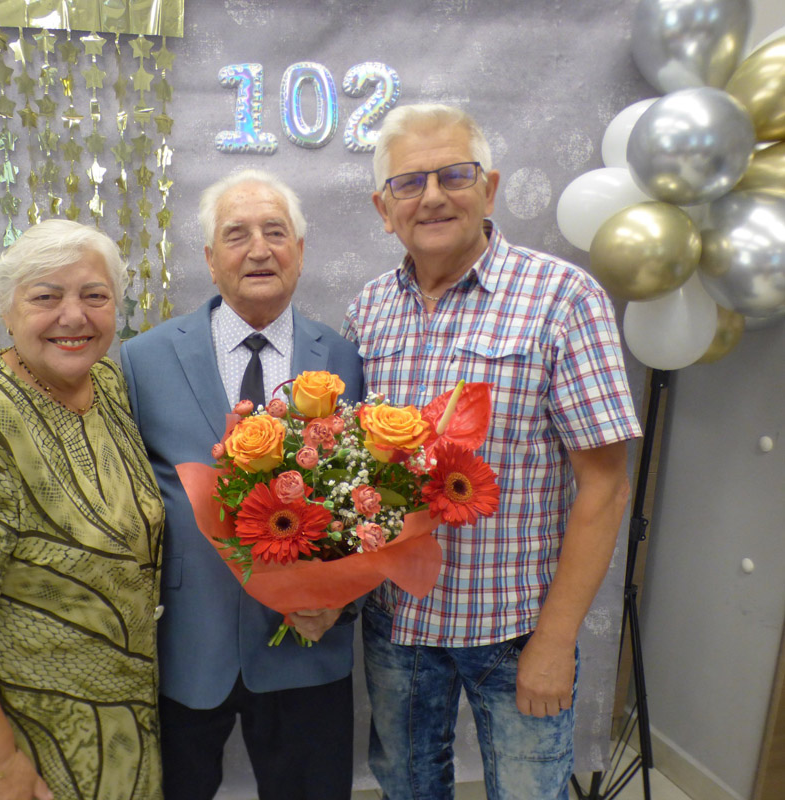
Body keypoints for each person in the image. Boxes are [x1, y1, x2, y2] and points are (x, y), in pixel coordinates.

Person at [342, 104, 643, 800]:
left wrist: (555, 641)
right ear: (384, 209)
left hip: (515, 629)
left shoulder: (562, 299)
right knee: (406, 787)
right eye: (409, 182)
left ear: (490, 188)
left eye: (454, 174)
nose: (432, 196)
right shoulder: (367, 312)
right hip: (397, 624)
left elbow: (605, 488)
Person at [0, 219, 165, 800]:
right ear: (6, 309)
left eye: (94, 295)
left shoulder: (108, 387)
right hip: (29, 750)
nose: (74, 316)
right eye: (46, 297)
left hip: (128, 734)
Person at [120, 169, 364, 800]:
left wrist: (342, 600)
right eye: (237, 235)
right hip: (186, 645)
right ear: (210, 258)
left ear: (300, 251)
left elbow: (370, 500)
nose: (259, 249)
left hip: (307, 643)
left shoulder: (343, 357)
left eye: (275, 232)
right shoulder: (142, 359)